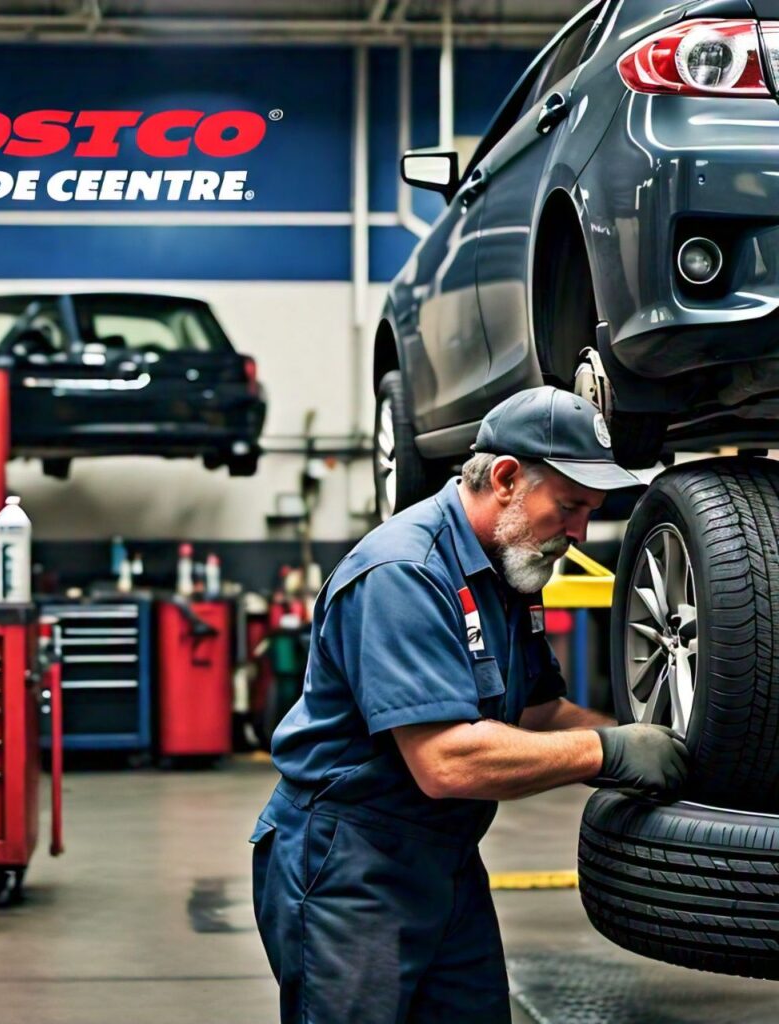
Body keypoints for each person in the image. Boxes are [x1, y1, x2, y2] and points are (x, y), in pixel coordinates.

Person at [250, 386, 689, 1024]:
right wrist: (607, 753)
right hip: (349, 862)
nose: (579, 533)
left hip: (446, 859)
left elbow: (537, 713)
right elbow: (446, 762)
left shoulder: (511, 568)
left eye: (589, 512)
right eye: (568, 507)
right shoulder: (404, 573)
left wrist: (647, 741)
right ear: (506, 478)